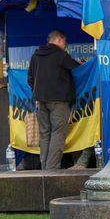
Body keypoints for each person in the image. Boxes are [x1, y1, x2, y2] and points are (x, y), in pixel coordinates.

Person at [27, 29, 80, 170]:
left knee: (44, 134)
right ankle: (52, 169)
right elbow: (77, 70)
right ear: (59, 40)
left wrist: (36, 94)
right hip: (58, 100)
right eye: (65, 42)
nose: (66, 45)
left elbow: (30, 79)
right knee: (58, 133)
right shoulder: (60, 55)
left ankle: (45, 168)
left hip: (40, 101)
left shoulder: (36, 55)